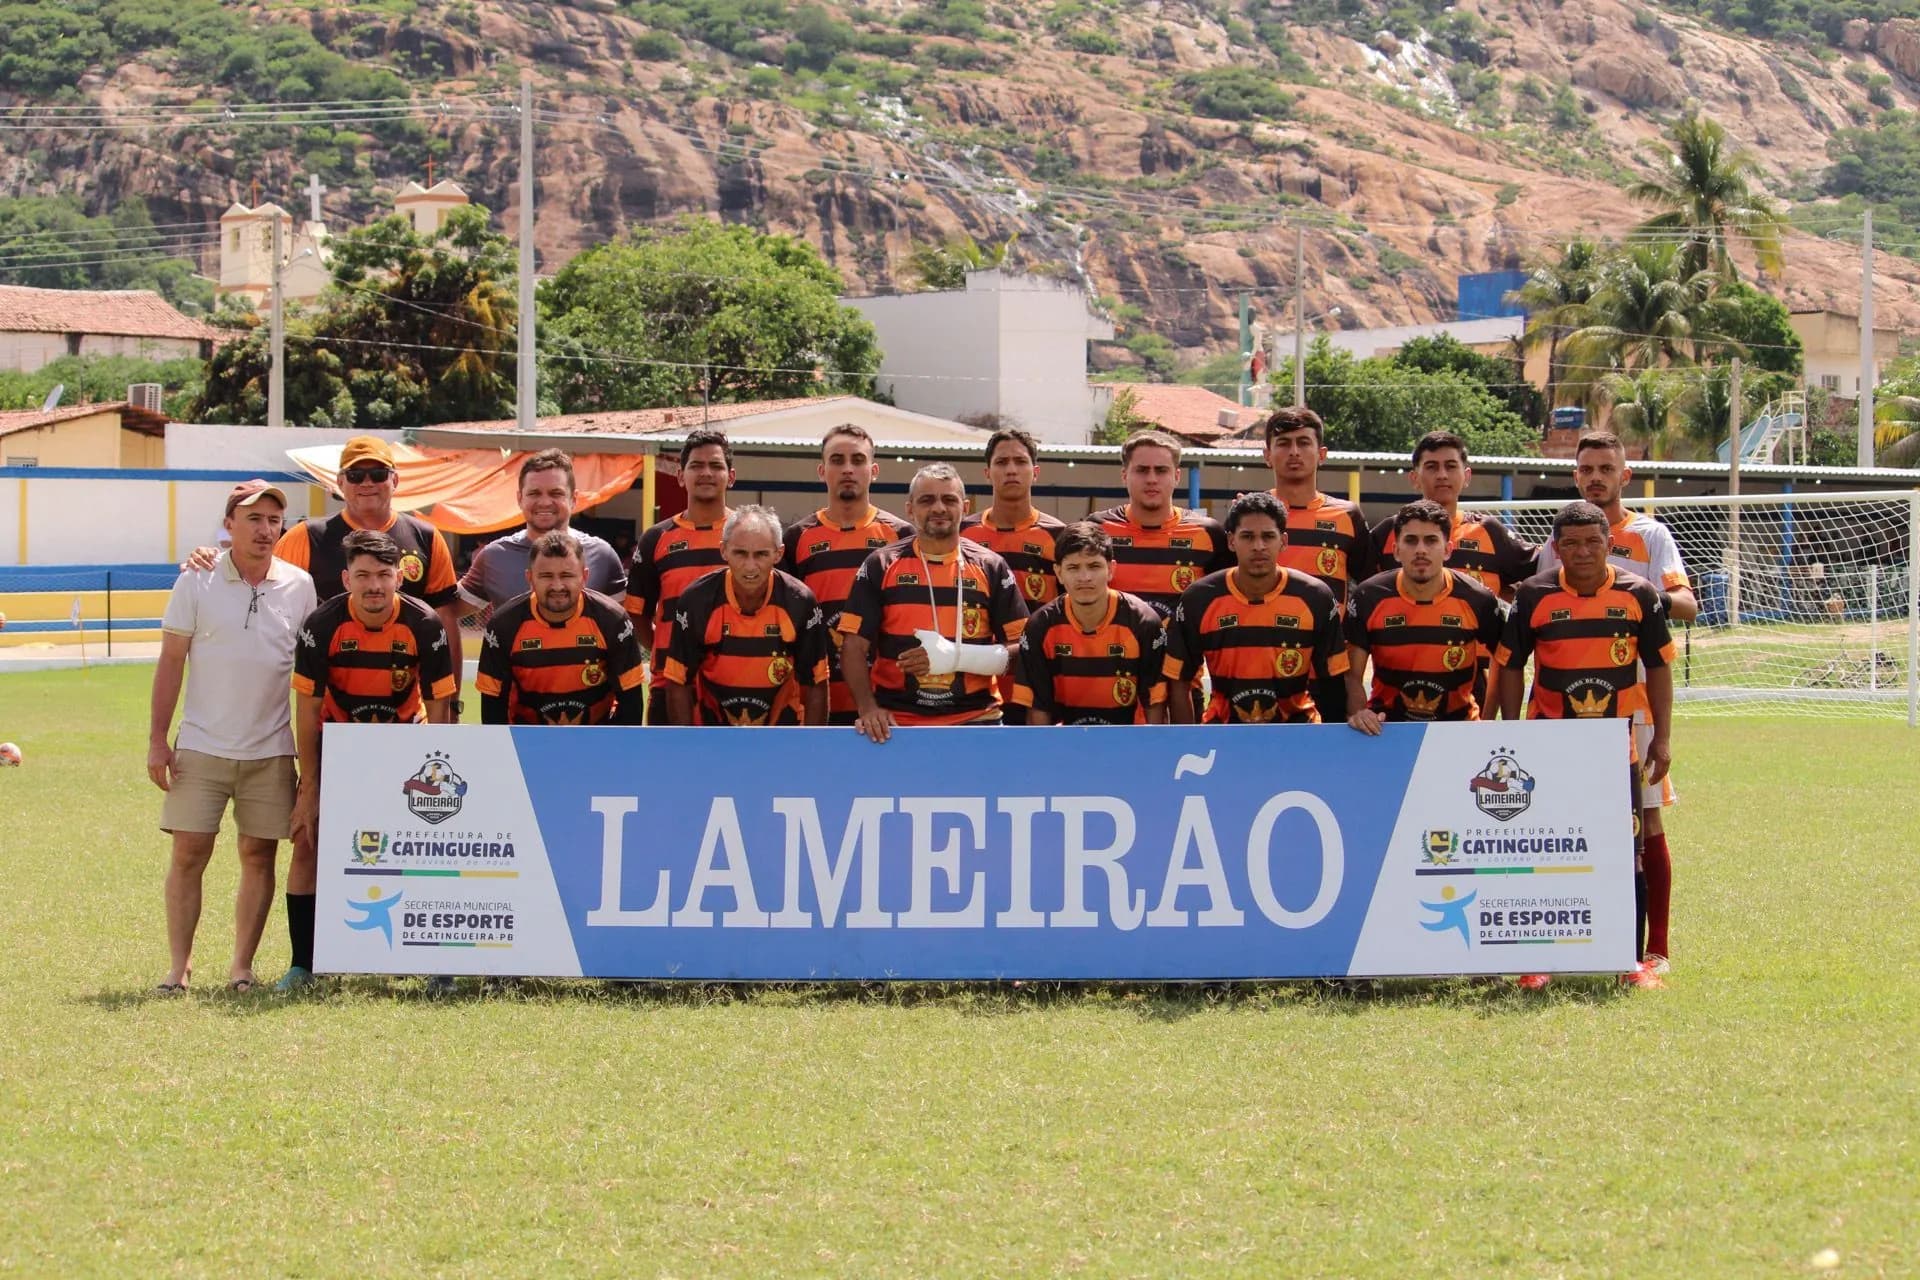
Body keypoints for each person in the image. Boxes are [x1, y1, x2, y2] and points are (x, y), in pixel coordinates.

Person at [1536, 431, 1696, 978]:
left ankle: (1656, 949)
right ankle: (1561, 943)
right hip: (1564, 713)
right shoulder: (1558, 540)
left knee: (1644, 821)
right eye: (1586, 469)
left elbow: (1688, 603)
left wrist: (1645, 595)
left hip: (1635, 708)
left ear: (1625, 476)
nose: (1596, 476)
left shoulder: (1650, 534)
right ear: (1575, 476)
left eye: (1607, 467)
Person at [1496, 500, 1675, 990]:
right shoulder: (1533, 595)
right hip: (1548, 745)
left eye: (1592, 541)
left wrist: (1662, 737)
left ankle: (1630, 960)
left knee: (1626, 853)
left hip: (1617, 747)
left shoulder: (1640, 594)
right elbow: (1510, 666)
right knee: (1541, 851)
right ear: (1555, 547)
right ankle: (1538, 961)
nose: (1581, 551)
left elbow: (1659, 667)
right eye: (1570, 543)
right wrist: (1511, 733)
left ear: (1609, 544)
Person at [147, 481, 316, 994]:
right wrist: (158, 739)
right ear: (229, 525)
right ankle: (179, 969)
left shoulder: (300, 585)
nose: (266, 530)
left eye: (274, 521)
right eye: (254, 519)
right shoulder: (195, 580)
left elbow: (310, 680)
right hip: (201, 746)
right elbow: (171, 662)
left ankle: (242, 967)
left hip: (271, 749)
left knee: (259, 856)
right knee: (188, 854)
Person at [284, 529, 457, 991]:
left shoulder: (425, 625)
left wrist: (434, 779)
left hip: (406, 750)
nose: (374, 585)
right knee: (308, 842)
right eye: (363, 575)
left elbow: (441, 706)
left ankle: (434, 964)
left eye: (383, 574)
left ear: (400, 577)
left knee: (424, 851)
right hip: (339, 745)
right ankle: (304, 964)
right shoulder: (322, 625)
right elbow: (306, 709)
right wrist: (310, 784)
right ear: (346, 578)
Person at [187, 436, 467, 714]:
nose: (367, 482)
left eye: (378, 473)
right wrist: (212, 557)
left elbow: (445, 622)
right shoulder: (307, 537)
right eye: (356, 475)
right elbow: (255, 571)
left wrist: (452, 703)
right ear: (339, 483)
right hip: (330, 714)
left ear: (394, 480)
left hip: (409, 714)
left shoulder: (427, 537)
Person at [839, 463, 1030, 741]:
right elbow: (853, 646)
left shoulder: (991, 567)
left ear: (965, 507)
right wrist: (868, 707)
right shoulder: (882, 564)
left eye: (949, 499)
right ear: (910, 509)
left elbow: (1022, 649)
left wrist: (955, 656)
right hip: (897, 724)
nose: (939, 508)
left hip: (977, 720)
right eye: (927, 500)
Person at [1164, 491, 1345, 724]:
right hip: (1224, 732)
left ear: (1284, 541)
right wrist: (1186, 741)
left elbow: (1333, 681)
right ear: (1231, 541)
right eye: (1247, 536)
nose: (1258, 546)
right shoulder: (1199, 599)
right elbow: (1180, 681)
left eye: (1268, 536)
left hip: (1298, 732)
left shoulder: (1315, 596)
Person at [781, 425, 914, 723]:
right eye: (837, 460)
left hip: (886, 707)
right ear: (822, 470)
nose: (848, 469)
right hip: (817, 703)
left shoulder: (902, 536)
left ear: (873, 469)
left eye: (858, 460)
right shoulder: (796, 539)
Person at [1344, 500, 1505, 732]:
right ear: (1396, 550)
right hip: (1386, 730)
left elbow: (1504, 659)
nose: (1421, 549)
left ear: (1448, 549)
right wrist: (1360, 713)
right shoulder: (1368, 597)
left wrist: (1489, 718)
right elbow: (1351, 674)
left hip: (1459, 730)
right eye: (1411, 540)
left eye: (1431, 540)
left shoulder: (1477, 598)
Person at [662, 506, 830, 726]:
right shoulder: (696, 601)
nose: (750, 566)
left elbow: (816, 682)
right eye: (740, 553)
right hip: (714, 733)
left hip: (781, 734)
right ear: (723, 551)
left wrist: (812, 750)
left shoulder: (800, 601)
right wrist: (686, 746)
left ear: (778, 554)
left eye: (761, 554)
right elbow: (678, 681)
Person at [1262, 406, 1375, 722]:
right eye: (1283, 443)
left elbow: (1371, 593)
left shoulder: (1347, 515)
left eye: (1304, 442)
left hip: (1329, 667)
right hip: (1264, 664)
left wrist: (1356, 673)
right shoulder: (1251, 515)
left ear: (1321, 453)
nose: (1294, 452)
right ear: (1267, 455)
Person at [475, 531, 646, 726]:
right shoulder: (503, 625)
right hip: (526, 742)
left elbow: (631, 705)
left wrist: (603, 745)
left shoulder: (613, 620)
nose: (557, 586)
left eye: (567, 575)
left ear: (584, 576)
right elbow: (492, 709)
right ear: (530, 578)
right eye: (546, 576)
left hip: (599, 739)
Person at [628, 428, 736, 724]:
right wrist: (665, 650)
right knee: (668, 770)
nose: (706, 473)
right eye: (696, 466)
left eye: (716, 466)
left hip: (737, 684)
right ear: (680, 476)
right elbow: (638, 612)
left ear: (731, 476)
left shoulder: (748, 534)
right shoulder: (656, 538)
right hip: (669, 684)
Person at [1013, 522, 1168, 725]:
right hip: (1065, 745)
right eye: (1073, 568)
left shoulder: (1144, 623)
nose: (1084, 577)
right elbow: (1038, 710)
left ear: (1111, 569)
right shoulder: (1039, 627)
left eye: (1094, 566)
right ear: (1058, 573)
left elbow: (1155, 705)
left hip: (1129, 744)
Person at [961, 427, 1067, 723]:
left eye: (1020, 462)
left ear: (1035, 471)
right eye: (1002, 462)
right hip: (974, 680)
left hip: (1037, 679)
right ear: (987, 472)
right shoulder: (962, 534)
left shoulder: (1058, 536)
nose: (1011, 470)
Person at [1087, 430, 1232, 623]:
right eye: (1142, 470)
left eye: (1161, 470)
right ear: (1124, 475)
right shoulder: (1096, 529)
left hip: (1179, 654)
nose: (1152, 479)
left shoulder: (1209, 533)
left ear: (1177, 476)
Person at [457, 448, 627, 610]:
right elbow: (448, 609)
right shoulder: (494, 557)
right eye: (534, 493)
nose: (545, 502)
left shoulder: (602, 556)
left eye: (556, 493)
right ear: (520, 498)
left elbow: (627, 620)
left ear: (574, 499)